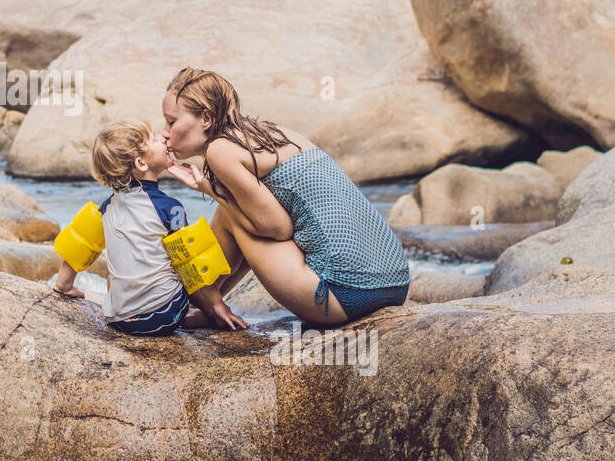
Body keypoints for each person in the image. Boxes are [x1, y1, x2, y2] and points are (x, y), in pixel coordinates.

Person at [161, 67, 410, 326]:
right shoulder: (268, 133)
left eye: (172, 121)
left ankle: (201, 303)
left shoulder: (220, 150)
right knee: (236, 207)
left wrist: (208, 188)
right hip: (395, 285)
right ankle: (206, 303)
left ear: (207, 118)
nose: (165, 132)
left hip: (345, 294)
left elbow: (277, 229)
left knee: (231, 214)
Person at [48, 120, 247, 335]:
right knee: (180, 261)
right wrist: (218, 306)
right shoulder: (169, 208)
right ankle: (196, 314)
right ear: (142, 163)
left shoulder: (105, 210)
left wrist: (64, 286)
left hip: (120, 320)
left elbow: (80, 243)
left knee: (112, 277)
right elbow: (191, 262)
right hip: (164, 315)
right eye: (153, 139)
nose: (163, 138)